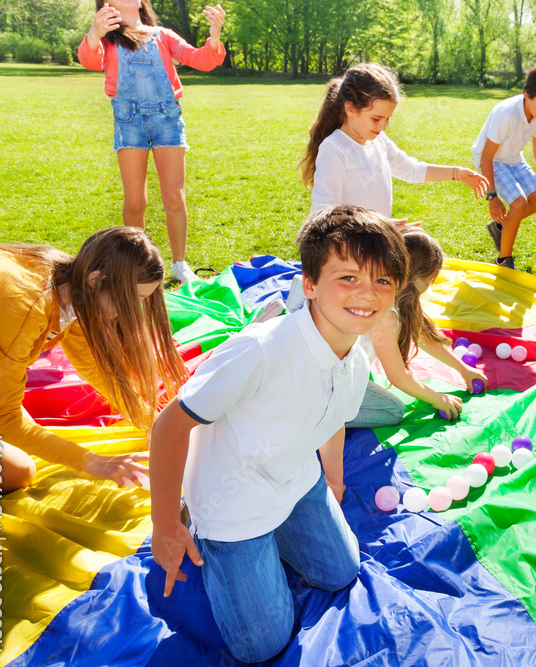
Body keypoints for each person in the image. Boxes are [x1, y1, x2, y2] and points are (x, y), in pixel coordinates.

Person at [149, 205, 408, 663]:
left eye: (383, 281)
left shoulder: (355, 357)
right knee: (261, 645)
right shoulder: (259, 351)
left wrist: (332, 480)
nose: (367, 294)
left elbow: (331, 420)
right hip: (233, 503)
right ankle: (202, 527)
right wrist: (165, 525)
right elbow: (169, 424)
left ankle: (278, 536)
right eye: (347, 278)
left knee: (341, 572)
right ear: (308, 284)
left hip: (295, 479)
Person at [0, 227, 189, 493]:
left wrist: (152, 421)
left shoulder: (71, 284)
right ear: (96, 279)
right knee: (14, 473)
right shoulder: (22, 305)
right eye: (134, 300)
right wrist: (94, 463)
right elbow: (1, 418)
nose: (136, 311)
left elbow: (93, 364)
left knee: (22, 443)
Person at [78, 1, 227, 283]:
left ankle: (180, 265)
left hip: (167, 121)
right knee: (135, 202)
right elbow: (89, 60)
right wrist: (94, 33)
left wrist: (215, 36)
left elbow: (201, 59)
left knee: (174, 197)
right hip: (129, 122)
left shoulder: (162, 35)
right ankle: (136, 265)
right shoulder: (108, 40)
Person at [286, 228, 487, 427]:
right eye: (431, 280)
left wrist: (463, 369)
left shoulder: (389, 291)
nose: (430, 286)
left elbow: (421, 334)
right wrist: (437, 399)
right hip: (317, 375)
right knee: (391, 410)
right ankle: (302, 414)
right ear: (418, 280)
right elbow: (398, 376)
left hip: (311, 361)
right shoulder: (386, 314)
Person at [300, 62, 488, 223]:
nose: (383, 127)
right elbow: (322, 215)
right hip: (348, 251)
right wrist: (376, 225)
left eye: (388, 118)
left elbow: (410, 169)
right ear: (350, 109)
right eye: (376, 118)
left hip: (375, 242)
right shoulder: (335, 149)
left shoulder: (378, 140)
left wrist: (456, 173)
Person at [472, 60, 536, 270]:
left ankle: (501, 226)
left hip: (513, 158)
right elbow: (486, 157)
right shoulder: (506, 114)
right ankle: (503, 260)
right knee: (519, 202)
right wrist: (492, 197)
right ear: (527, 95)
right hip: (491, 160)